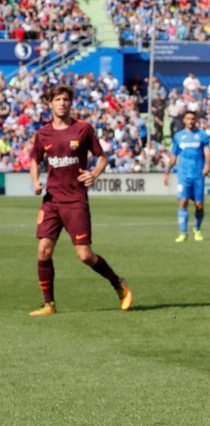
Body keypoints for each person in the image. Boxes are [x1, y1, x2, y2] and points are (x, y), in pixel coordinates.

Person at [28, 85, 132, 316]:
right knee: (43, 250)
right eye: (57, 99)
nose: (62, 103)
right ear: (50, 104)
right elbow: (35, 159)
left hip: (75, 200)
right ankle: (49, 305)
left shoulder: (83, 129)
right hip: (51, 200)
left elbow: (102, 158)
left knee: (84, 255)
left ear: (71, 103)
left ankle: (117, 283)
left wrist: (93, 174)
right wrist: (35, 181)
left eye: (66, 99)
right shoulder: (43, 133)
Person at [164, 110, 210, 242]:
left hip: (198, 174)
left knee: (199, 205)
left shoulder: (202, 136)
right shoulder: (178, 136)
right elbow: (174, 156)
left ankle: (197, 229)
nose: (190, 121)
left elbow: (207, 153)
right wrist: (167, 172)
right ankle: (183, 233)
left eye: (193, 118)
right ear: (184, 120)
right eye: (188, 118)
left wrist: (207, 165)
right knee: (183, 202)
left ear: (195, 120)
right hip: (183, 175)